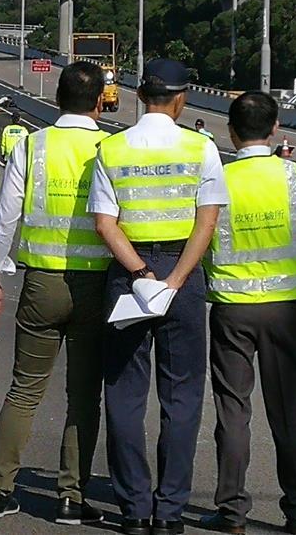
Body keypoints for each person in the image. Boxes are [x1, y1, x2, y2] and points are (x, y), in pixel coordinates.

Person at [89, 58, 228, 535]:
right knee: (182, 395)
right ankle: (169, 513)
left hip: (128, 276)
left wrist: (142, 273)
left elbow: (105, 224)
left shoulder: (111, 149)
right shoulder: (202, 147)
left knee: (124, 393)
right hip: (181, 278)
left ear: (139, 96)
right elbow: (205, 223)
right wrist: (174, 280)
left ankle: (133, 509)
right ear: (180, 98)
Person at [0, 62, 111, 525]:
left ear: (56, 98)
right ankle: (70, 497)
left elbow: (6, 215)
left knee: (24, 389)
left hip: (41, 282)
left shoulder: (33, 146)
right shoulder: (109, 148)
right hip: (95, 283)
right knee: (83, 396)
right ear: (100, 102)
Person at [199, 91, 296, 535]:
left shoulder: (217, 176)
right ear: (275, 128)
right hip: (283, 310)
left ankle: (233, 513)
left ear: (230, 132)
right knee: (290, 413)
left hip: (232, 309)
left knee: (232, 413)